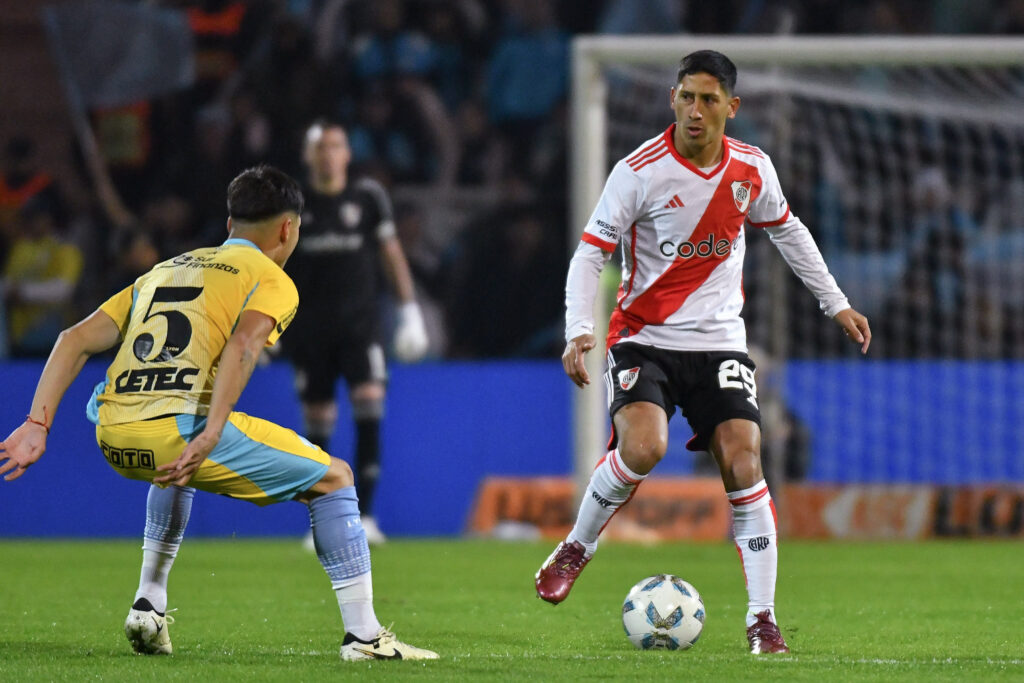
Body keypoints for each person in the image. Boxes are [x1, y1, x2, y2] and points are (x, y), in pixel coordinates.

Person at [0, 166, 437, 662]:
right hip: (176, 430)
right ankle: (364, 637)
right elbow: (245, 343)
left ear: (230, 225)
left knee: (174, 471)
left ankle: (149, 602)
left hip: (112, 432)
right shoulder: (271, 278)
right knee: (335, 478)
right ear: (288, 229)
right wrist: (211, 430)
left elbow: (73, 338)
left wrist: (37, 425)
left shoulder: (166, 268)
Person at [533, 51, 871, 655]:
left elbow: (788, 230)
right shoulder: (638, 172)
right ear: (673, 99)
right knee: (644, 446)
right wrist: (578, 328)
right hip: (645, 337)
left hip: (720, 344)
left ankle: (762, 621)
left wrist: (835, 302)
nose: (695, 110)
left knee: (745, 464)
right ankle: (578, 545)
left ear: (731, 108)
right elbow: (591, 254)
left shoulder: (751, 168)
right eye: (686, 97)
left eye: (708, 100)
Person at [285, 121, 428, 545]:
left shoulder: (367, 198)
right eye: (320, 147)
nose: (329, 154)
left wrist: (409, 312)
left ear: (347, 153)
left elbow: (392, 254)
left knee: (368, 405)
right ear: (309, 156)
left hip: (360, 328)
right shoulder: (294, 203)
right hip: (309, 330)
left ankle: (365, 516)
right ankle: (322, 524)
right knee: (319, 422)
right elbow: (274, 264)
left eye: (336, 146)